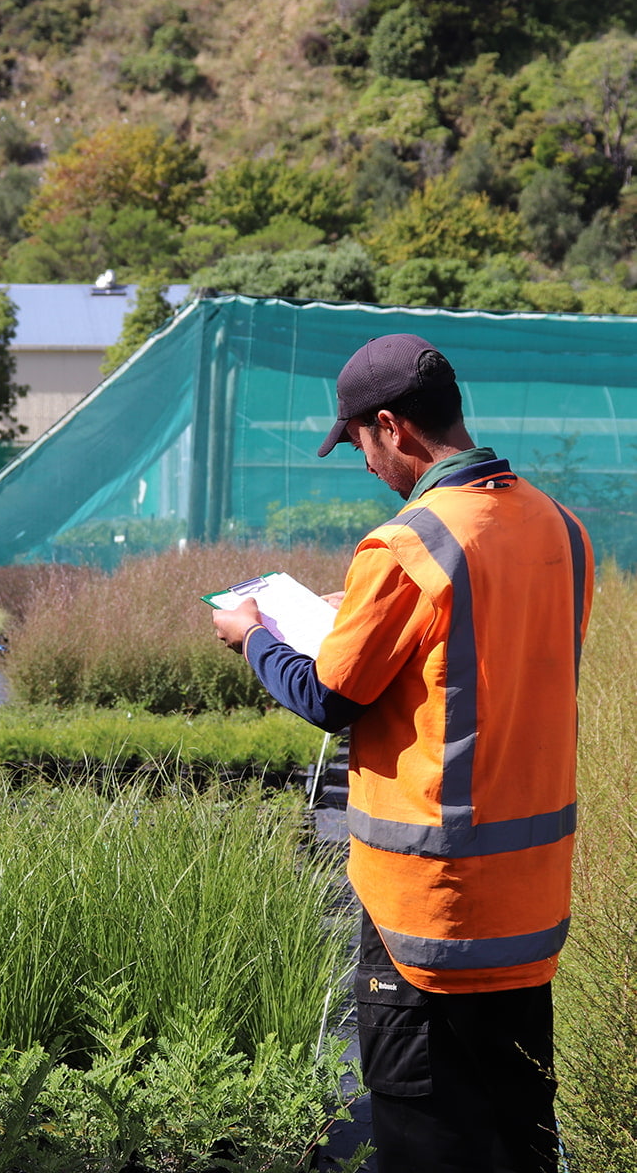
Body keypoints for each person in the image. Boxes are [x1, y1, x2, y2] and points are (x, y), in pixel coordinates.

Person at [212, 333, 594, 1173]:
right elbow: (479, 645)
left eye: (358, 443)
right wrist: (361, 607)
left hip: (428, 916)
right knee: (516, 1140)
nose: (364, 463)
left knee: (428, 1143)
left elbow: (326, 696)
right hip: (528, 914)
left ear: (392, 426)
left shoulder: (406, 546)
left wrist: (250, 638)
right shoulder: (559, 529)